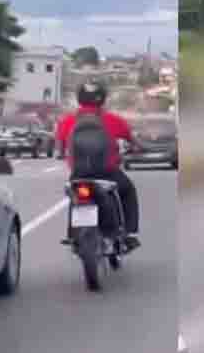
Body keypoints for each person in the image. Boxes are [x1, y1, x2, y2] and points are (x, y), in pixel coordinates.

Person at [56, 82, 141, 250]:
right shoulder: (113, 120)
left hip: (79, 174)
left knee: (75, 196)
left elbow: (60, 148)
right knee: (128, 191)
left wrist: (62, 154)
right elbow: (133, 142)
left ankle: (72, 235)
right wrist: (135, 148)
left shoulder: (67, 121)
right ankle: (130, 234)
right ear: (102, 99)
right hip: (107, 173)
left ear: (79, 98)